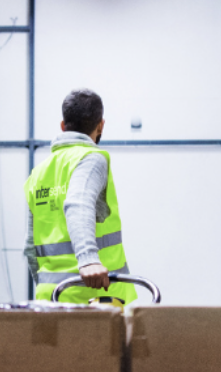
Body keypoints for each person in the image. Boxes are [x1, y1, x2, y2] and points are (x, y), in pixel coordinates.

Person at [23, 88, 137, 305]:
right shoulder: (91, 158)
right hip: (94, 297)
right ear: (101, 125)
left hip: (51, 297)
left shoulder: (38, 173)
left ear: (63, 126)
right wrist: (88, 261)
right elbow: (78, 203)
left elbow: (30, 245)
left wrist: (44, 284)